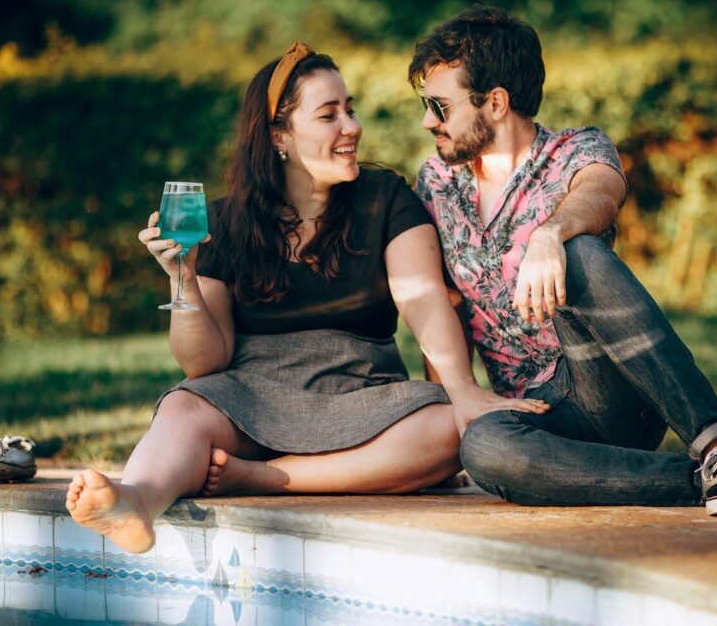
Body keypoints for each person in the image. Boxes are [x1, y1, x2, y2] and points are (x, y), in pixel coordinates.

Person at [66, 41, 548, 554]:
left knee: (452, 431)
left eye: (350, 110)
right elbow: (205, 361)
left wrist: (461, 389)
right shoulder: (225, 222)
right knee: (185, 407)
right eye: (329, 115)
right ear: (279, 135)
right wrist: (182, 278)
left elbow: (424, 297)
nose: (352, 127)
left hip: (365, 397)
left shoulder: (385, 198)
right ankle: (137, 501)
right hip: (252, 398)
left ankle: (268, 477)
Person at [407, 6, 717, 516]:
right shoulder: (437, 183)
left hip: (614, 388)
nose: (428, 121)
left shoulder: (576, 150)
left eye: (439, 106)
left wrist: (549, 235)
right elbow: (441, 303)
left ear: (495, 102)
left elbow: (601, 193)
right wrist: (456, 405)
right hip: (537, 413)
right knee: (485, 447)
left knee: (577, 250)